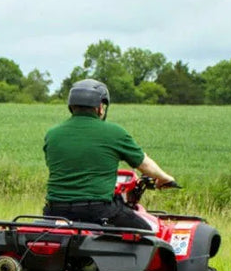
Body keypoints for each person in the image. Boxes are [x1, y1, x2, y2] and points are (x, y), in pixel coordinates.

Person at [42, 78, 177, 230]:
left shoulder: (52, 135)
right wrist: (164, 178)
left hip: (54, 211)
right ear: (100, 106)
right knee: (147, 232)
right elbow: (144, 164)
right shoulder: (114, 133)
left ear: (71, 106)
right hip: (98, 211)